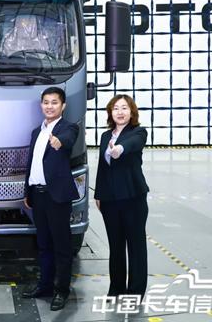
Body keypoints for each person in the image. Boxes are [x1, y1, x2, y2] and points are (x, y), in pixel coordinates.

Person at [21, 87, 80, 311]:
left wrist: (59, 142)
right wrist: (27, 192)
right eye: (46, 102)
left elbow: (68, 139)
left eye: (54, 102)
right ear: (41, 105)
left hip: (57, 197)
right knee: (44, 244)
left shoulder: (68, 127)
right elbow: (31, 164)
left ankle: (61, 291)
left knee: (62, 246)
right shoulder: (36, 132)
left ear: (63, 106)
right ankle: (45, 285)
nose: (49, 106)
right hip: (38, 195)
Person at [94, 94, 149, 300]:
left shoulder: (138, 132)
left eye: (124, 108)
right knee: (115, 246)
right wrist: (99, 194)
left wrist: (119, 149)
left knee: (136, 246)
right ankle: (116, 288)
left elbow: (133, 144)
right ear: (110, 112)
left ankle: (135, 291)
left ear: (131, 112)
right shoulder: (105, 136)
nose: (120, 112)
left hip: (133, 198)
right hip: (109, 200)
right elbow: (102, 168)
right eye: (116, 108)